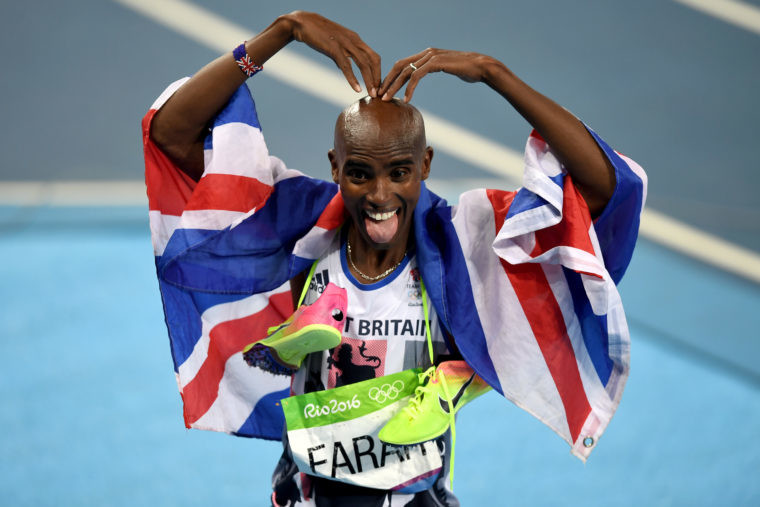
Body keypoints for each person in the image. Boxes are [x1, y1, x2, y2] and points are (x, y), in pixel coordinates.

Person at [143, 10, 646, 507]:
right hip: (309, 494)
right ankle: (302, 332)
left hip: (410, 498)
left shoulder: (462, 245)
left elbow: (604, 190)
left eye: (400, 172)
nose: (380, 195)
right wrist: (282, 32)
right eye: (360, 174)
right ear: (335, 167)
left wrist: (495, 74)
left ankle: (450, 378)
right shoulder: (302, 226)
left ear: (425, 165)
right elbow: (172, 135)